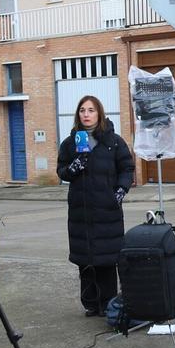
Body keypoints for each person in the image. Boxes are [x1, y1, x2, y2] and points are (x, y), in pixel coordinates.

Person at [57, 95, 136, 317]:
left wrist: (119, 192)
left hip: (107, 211)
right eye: (82, 110)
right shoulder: (70, 143)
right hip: (81, 212)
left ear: (99, 113)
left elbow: (127, 168)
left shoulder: (113, 141)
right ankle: (91, 303)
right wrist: (74, 166)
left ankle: (108, 303)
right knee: (86, 260)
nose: (86, 114)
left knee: (106, 261)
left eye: (91, 110)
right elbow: (62, 171)